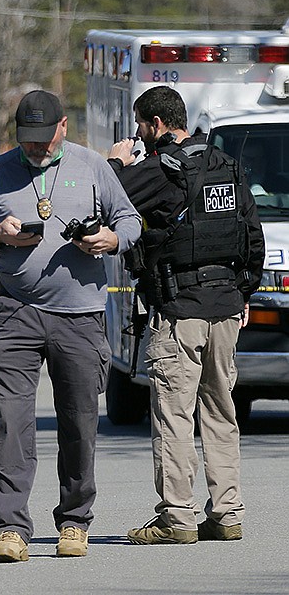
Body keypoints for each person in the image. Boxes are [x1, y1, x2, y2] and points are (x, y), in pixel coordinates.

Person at [0, 90, 142, 562]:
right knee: (10, 423)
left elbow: (130, 219)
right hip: (16, 311)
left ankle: (75, 520)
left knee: (79, 421)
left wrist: (111, 238)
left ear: (63, 126)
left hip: (79, 315)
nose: (36, 148)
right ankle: (12, 528)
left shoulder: (92, 166)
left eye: (45, 138)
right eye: (28, 140)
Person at [107, 85, 264, 545]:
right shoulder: (229, 167)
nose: (138, 134)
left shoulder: (159, 169)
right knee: (221, 412)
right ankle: (227, 512)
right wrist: (244, 293)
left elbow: (105, 195)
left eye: (140, 125)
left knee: (175, 415)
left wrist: (118, 161)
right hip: (226, 310)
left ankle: (177, 517)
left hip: (179, 311)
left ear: (156, 124)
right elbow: (253, 239)